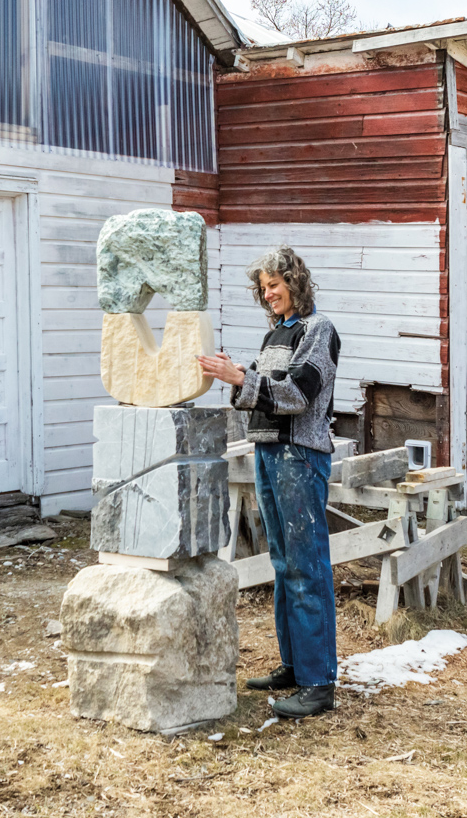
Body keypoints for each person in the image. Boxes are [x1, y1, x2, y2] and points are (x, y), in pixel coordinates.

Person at [198, 246, 341, 719]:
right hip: (268, 453)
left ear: (295, 282)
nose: (268, 293)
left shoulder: (318, 331)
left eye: (274, 285)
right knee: (283, 564)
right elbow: (258, 395)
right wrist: (239, 376)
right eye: (263, 288)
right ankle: (294, 666)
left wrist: (241, 378)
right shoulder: (274, 334)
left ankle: (318, 683)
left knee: (307, 567)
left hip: (299, 457)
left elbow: (298, 394)